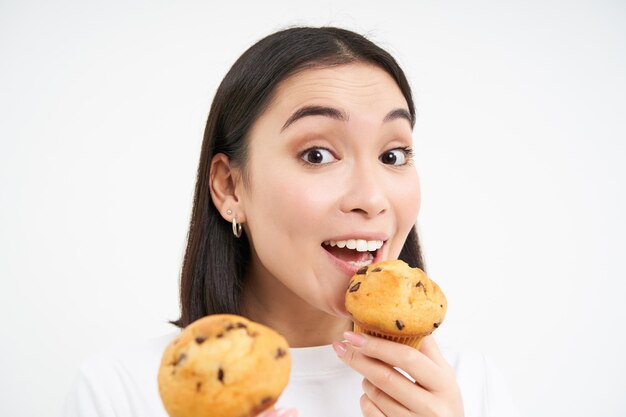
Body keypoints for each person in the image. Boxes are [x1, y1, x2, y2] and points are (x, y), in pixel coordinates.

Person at [62, 26, 519, 417]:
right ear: (230, 187)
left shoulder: (469, 387)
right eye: (317, 154)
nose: (371, 198)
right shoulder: (124, 389)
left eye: (392, 155)